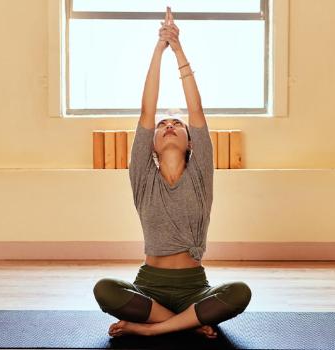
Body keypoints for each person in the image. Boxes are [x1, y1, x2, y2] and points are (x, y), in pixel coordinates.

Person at [93, 6, 252, 339]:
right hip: (148, 287)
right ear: (149, 145)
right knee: (105, 289)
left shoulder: (200, 174)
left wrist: (177, 48)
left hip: (195, 287)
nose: (168, 125)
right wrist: (158, 48)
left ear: (192, 142)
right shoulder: (143, 176)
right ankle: (186, 323)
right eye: (162, 124)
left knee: (240, 292)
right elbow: (146, 110)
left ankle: (153, 330)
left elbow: (196, 110)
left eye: (176, 124)